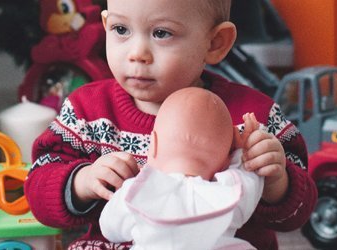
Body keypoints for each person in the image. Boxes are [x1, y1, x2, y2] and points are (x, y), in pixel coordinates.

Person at [24, 0, 316, 249]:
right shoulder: (87, 109)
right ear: (105, 25)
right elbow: (37, 190)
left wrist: (277, 181)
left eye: (161, 33)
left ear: (215, 43)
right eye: (121, 29)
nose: (137, 53)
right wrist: (82, 181)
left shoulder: (254, 117)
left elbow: (297, 215)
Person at [100, 87, 265, 249]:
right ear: (224, 164)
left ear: (154, 144)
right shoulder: (229, 191)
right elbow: (251, 180)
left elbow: (109, 229)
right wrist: (242, 153)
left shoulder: (136, 190)